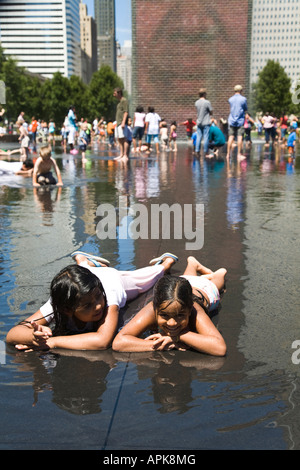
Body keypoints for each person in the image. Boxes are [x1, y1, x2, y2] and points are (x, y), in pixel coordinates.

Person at [6, 251, 178, 351]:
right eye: (87, 305)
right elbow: (12, 334)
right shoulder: (59, 302)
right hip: (90, 283)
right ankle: (83, 262)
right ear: (67, 309)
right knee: (79, 278)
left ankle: (166, 263)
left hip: (112, 280)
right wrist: (33, 337)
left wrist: (51, 342)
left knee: (151, 276)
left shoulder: (108, 296)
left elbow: (102, 341)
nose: (98, 305)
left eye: (97, 298)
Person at [112, 256, 227, 356]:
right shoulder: (154, 307)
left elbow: (219, 348)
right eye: (165, 315)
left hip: (205, 290)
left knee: (217, 283)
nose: (172, 323)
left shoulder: (195, 310)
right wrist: (158, 344)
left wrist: (178, 337)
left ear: (189, 309)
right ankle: (192, 264)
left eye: (180, 315)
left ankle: (220, 272)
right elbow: (119, 343)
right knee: (187, 278)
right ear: (155, 308)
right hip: (183, 284)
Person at [226, 84, 248, 160]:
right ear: (241, 90)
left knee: (230, 137)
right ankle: (239, 154)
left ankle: (228, 154)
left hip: (231, 120)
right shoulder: (243, 99)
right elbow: (245, 109)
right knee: (239, 137)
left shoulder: (230, 99)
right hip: (240, 121)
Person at [195, 88, 212, 156]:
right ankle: (205, 152)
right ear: (204, 94)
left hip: (199, 122)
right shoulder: (207, 102)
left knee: (199, 137)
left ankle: (197, 151)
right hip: (206, 122)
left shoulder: (196, 102)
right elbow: (211, 111)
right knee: (206, 137)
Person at [113, 87, 129, 160]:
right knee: (119, 139)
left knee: (124, 138)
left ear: (119, 93)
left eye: (115, 93)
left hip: (122, 123)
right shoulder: (119, 102)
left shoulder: (124, 101)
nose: (113, 94)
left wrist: (123, 122)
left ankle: (125, 155)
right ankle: (121, 154)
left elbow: (126, 112)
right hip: (118, 123)